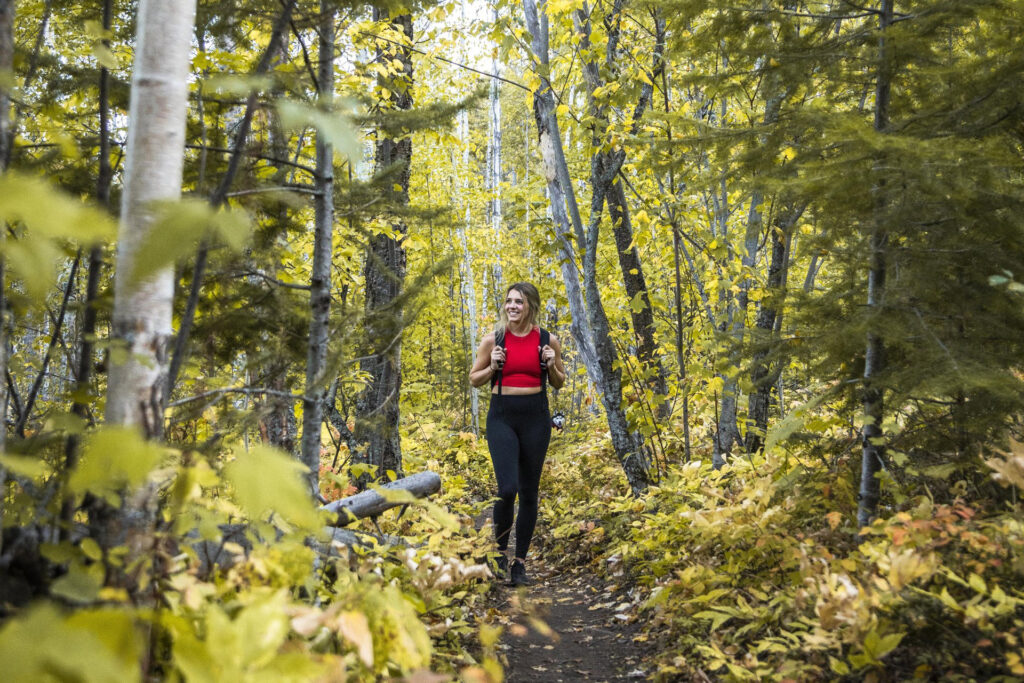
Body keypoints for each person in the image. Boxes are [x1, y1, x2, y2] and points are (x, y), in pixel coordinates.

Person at [469, 283, 566, 586]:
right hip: (502, 417)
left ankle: (519, 563)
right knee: (507, 487)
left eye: (519, 302)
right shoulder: (493, 340)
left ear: (530, 307)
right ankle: (499, 552)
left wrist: (551, 364)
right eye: (509, 301)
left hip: (536, 417)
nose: (512, 307)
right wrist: (493, 366)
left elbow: (559, 382)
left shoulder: (548, 340)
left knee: (528, 491)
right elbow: (474, 379)